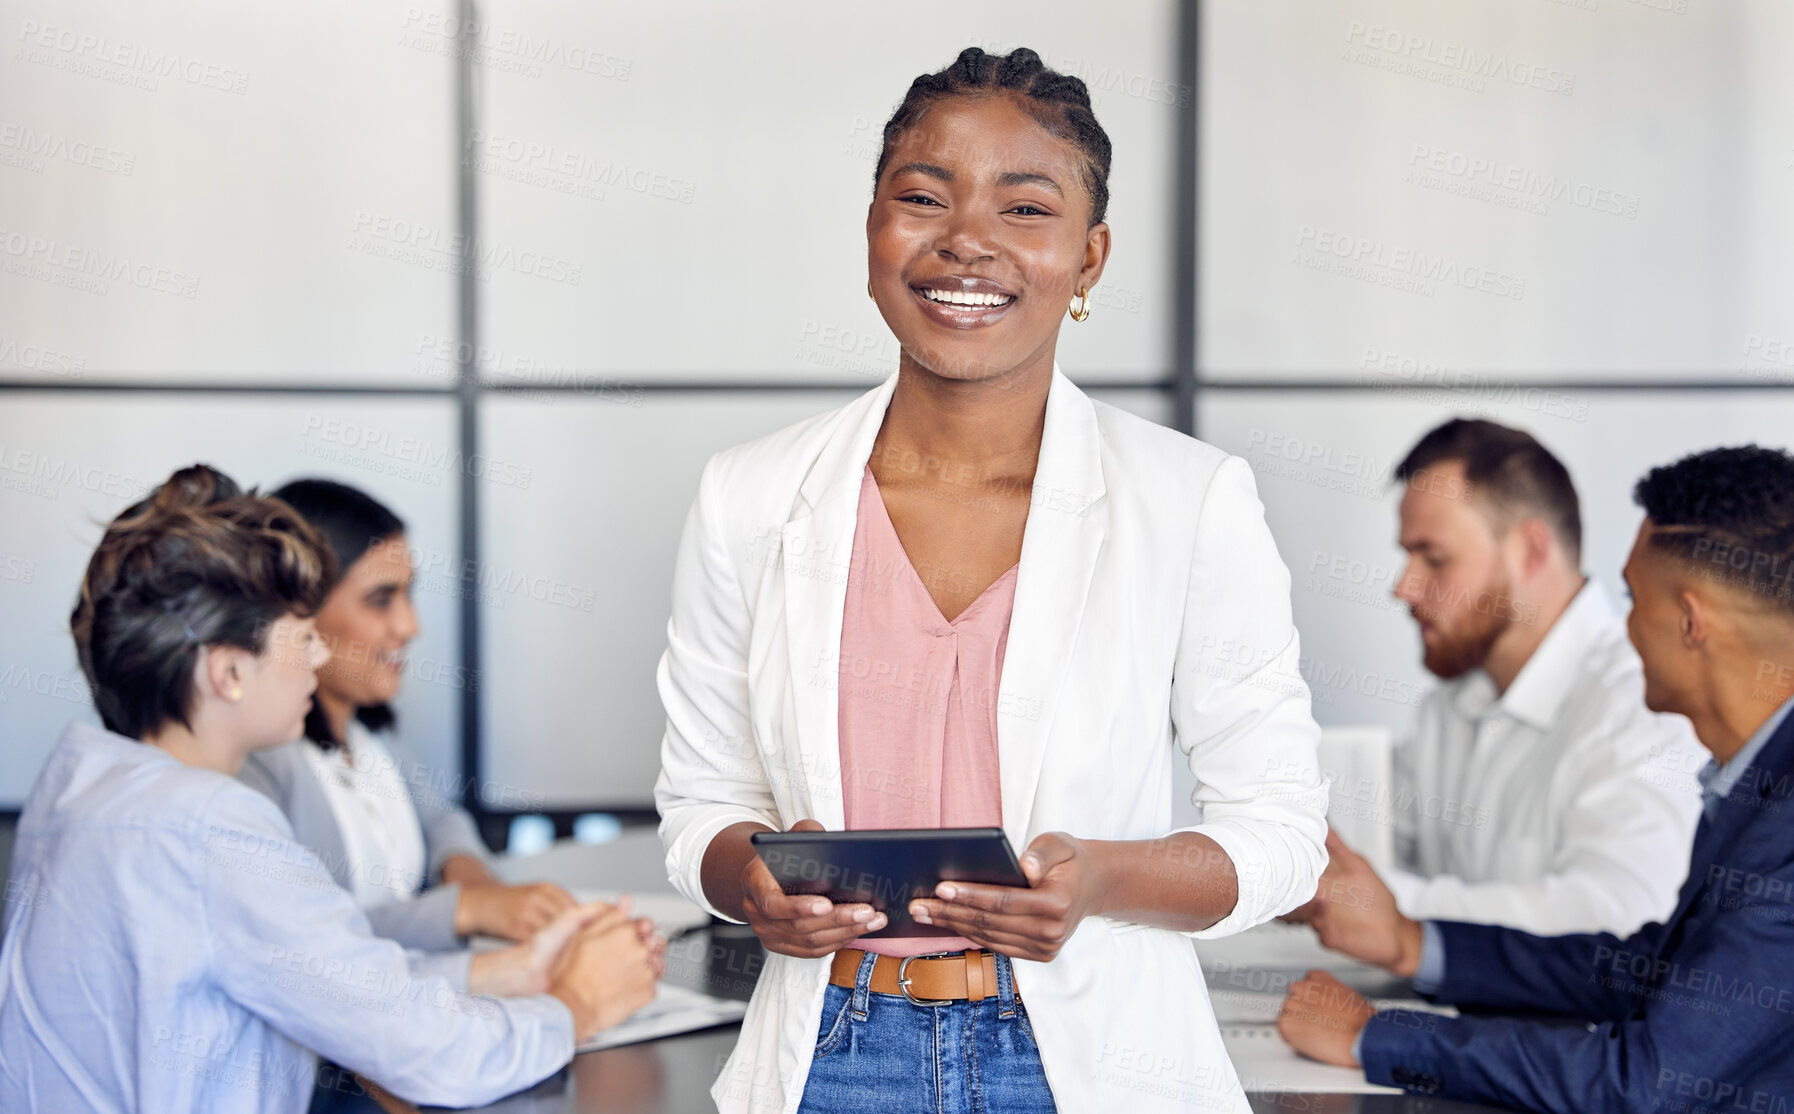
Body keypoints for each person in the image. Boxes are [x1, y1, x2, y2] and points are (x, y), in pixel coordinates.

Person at [654, 47, 1328, 1114]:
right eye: (922, 197)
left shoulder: (1188, 500)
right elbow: (702, 805)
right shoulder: (750, 495)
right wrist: (752, 882)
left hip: (1089, 1058)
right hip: (830, 1051)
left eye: (1025, 208)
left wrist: (1102, 879)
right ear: (872, 226)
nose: (964, 241)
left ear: (1090, 257)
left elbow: (1283, 839)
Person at [0, 465, 661, 1112]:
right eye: (299, 636)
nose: (318, 657)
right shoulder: (212, 827)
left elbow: (319, 977)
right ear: (229, 671)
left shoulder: (84, 788)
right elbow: (432, 1054)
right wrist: (575, 1006)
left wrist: (504, 974)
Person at [1276, 445, 1794, 1110]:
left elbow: (1643, 1082)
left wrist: (1380, 1037)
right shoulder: (1752, 780)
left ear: (1692, 623)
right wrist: (1417, 941)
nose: (1623, 625)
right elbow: (1649, 975)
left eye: (1634, 598)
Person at [1295, 419, 1704, 937]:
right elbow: (1376, 843)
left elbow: (1618, 916)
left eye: (1434, 558)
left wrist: (1390, 909)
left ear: (1530, 551)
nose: (1405, 587)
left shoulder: (1643, 704)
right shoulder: (1454, 703)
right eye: (1407, 556)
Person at [238, 478, 576, 951]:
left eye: (408, 594)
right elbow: (302, 943)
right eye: (381, 599)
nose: (409, 626)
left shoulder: (372, 737)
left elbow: (441, 821)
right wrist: (466, 909)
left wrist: (469, 874)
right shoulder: (256, 766)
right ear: (298, 611)